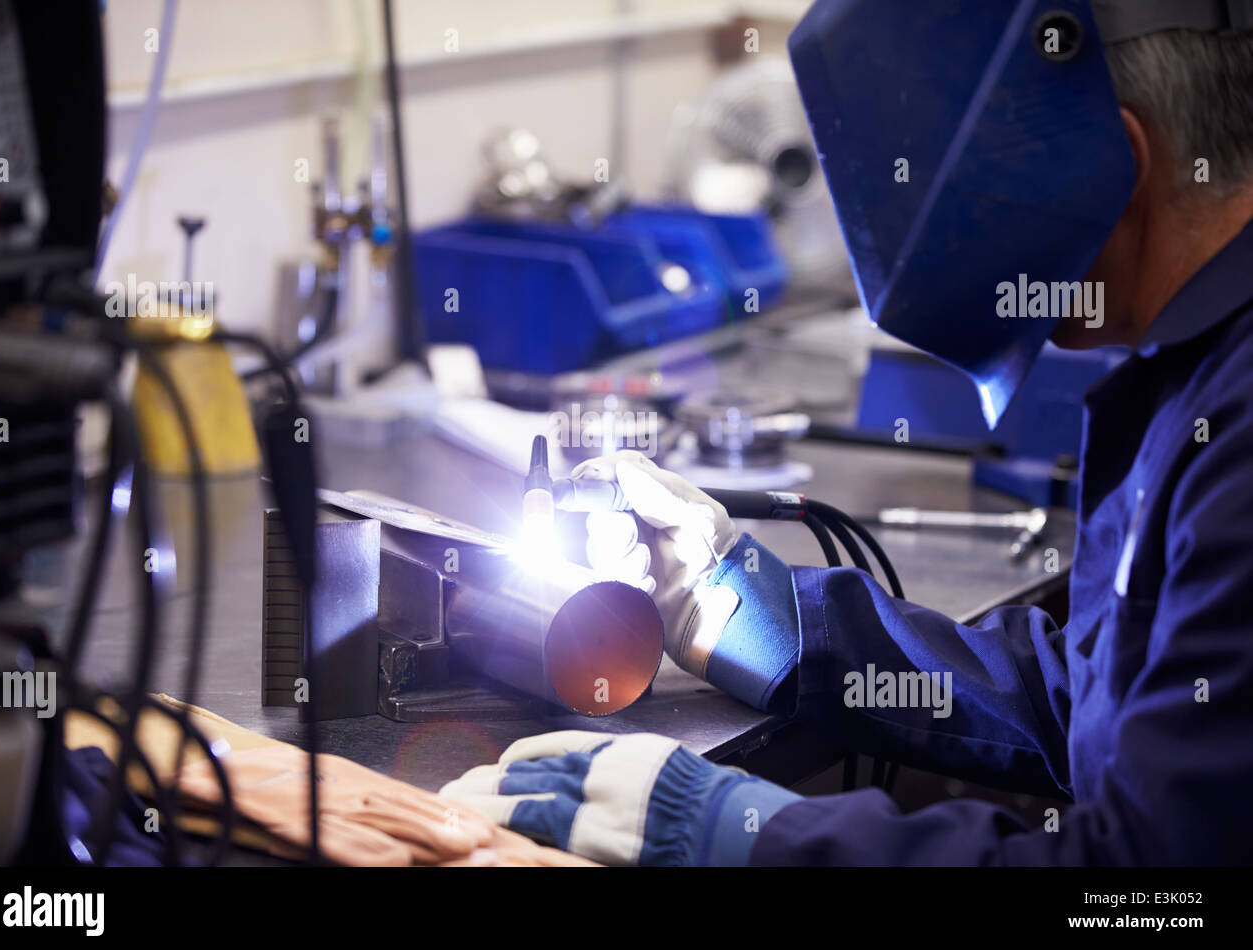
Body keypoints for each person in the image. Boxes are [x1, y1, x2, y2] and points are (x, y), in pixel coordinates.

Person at [442, 1, 1253, 865]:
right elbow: (1094, 700)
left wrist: (747, 832)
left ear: (1116, 163)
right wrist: (758, 618)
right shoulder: (1201, 364)